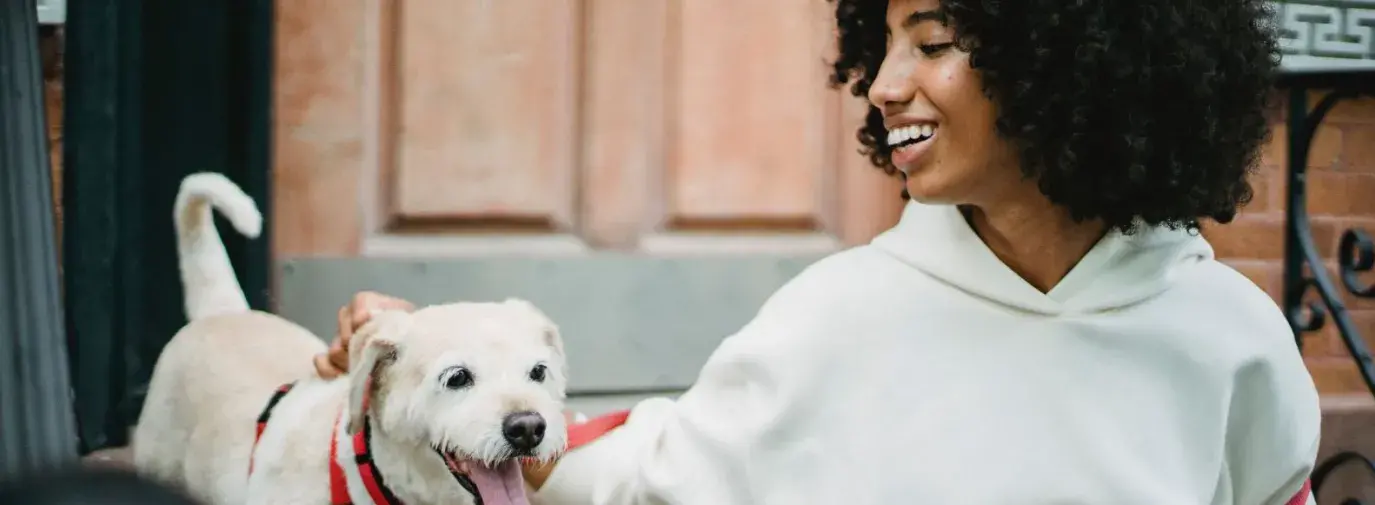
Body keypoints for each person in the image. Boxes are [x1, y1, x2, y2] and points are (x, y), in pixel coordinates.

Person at [315, 0, 1321, 503]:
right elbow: (652, 474)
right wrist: (425, 372)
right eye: (879, 45)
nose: (883, 85)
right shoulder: (841, 313)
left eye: (930, 44)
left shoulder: (1224, 333)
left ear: (1071, 56)